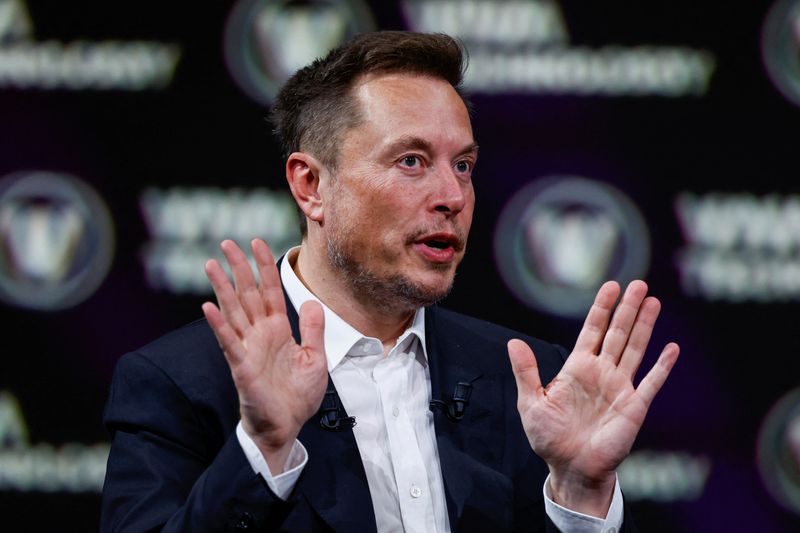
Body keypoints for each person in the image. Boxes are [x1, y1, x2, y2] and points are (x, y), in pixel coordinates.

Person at [100, 31, 679, 532]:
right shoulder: (180, 383)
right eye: (410, 161)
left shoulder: (528, 380)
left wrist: (579, 495)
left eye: (463, 165)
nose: (452, 197)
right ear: (310, 185)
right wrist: (263, 452)